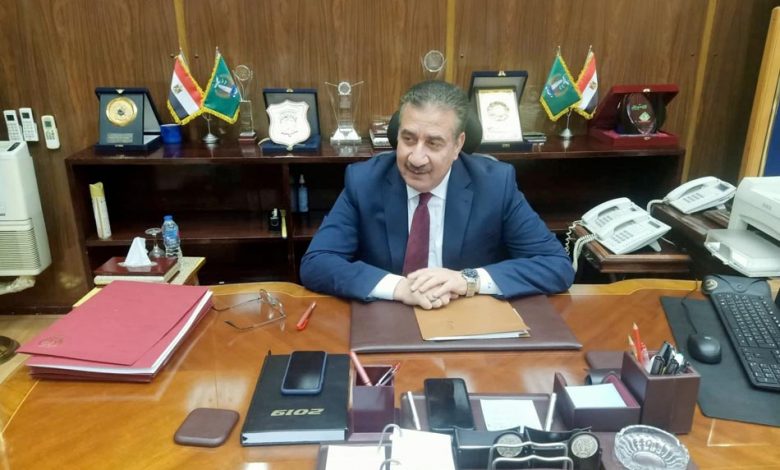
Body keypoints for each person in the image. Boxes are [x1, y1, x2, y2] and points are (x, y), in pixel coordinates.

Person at [300, 80, 574, 309]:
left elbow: (555, 266)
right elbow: (317, 263)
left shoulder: (494, 185)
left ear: (457, 145)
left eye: (433, 143)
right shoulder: (365, 181)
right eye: (408, 139)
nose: (416, 158)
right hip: (387, 319)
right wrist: (399, 287)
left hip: (468, 320)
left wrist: (467, 280)